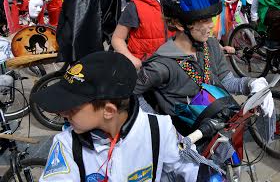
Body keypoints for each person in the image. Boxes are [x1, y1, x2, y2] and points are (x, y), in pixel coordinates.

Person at [134, 0, 273, 177]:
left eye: (211, 19)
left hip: (216, 134)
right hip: (184, 147)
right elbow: (132, 92)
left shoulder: (209, 45)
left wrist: (252, 84)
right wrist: (158, 125)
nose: (211, 26)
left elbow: (225, 79)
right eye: (203, 21)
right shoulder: (161, 64)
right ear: (180, 25)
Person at [32, 51, 204, 181]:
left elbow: (192, 170)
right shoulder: (67, 144)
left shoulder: (159, 129)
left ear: (108, 111)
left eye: (72, 107)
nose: (62, 112)